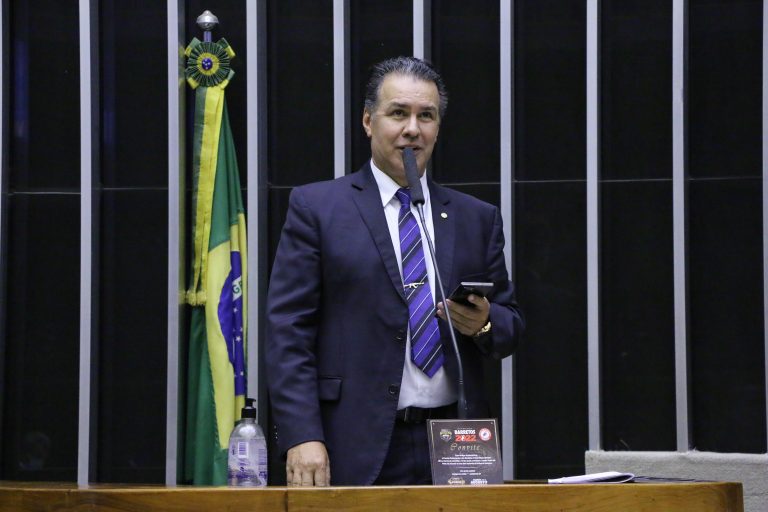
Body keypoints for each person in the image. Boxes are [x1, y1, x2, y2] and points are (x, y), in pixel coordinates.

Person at [265, 56, 523, 486]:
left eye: (427, 116)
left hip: (456, 445)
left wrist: (483, 323)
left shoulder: (476, 218)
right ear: (369, 121)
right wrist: (302, 434)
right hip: (351, 440)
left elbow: (510, 326)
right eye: (398, 113)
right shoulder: (318, 209)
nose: (412, 129)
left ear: (438, 128)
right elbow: (288, 329)